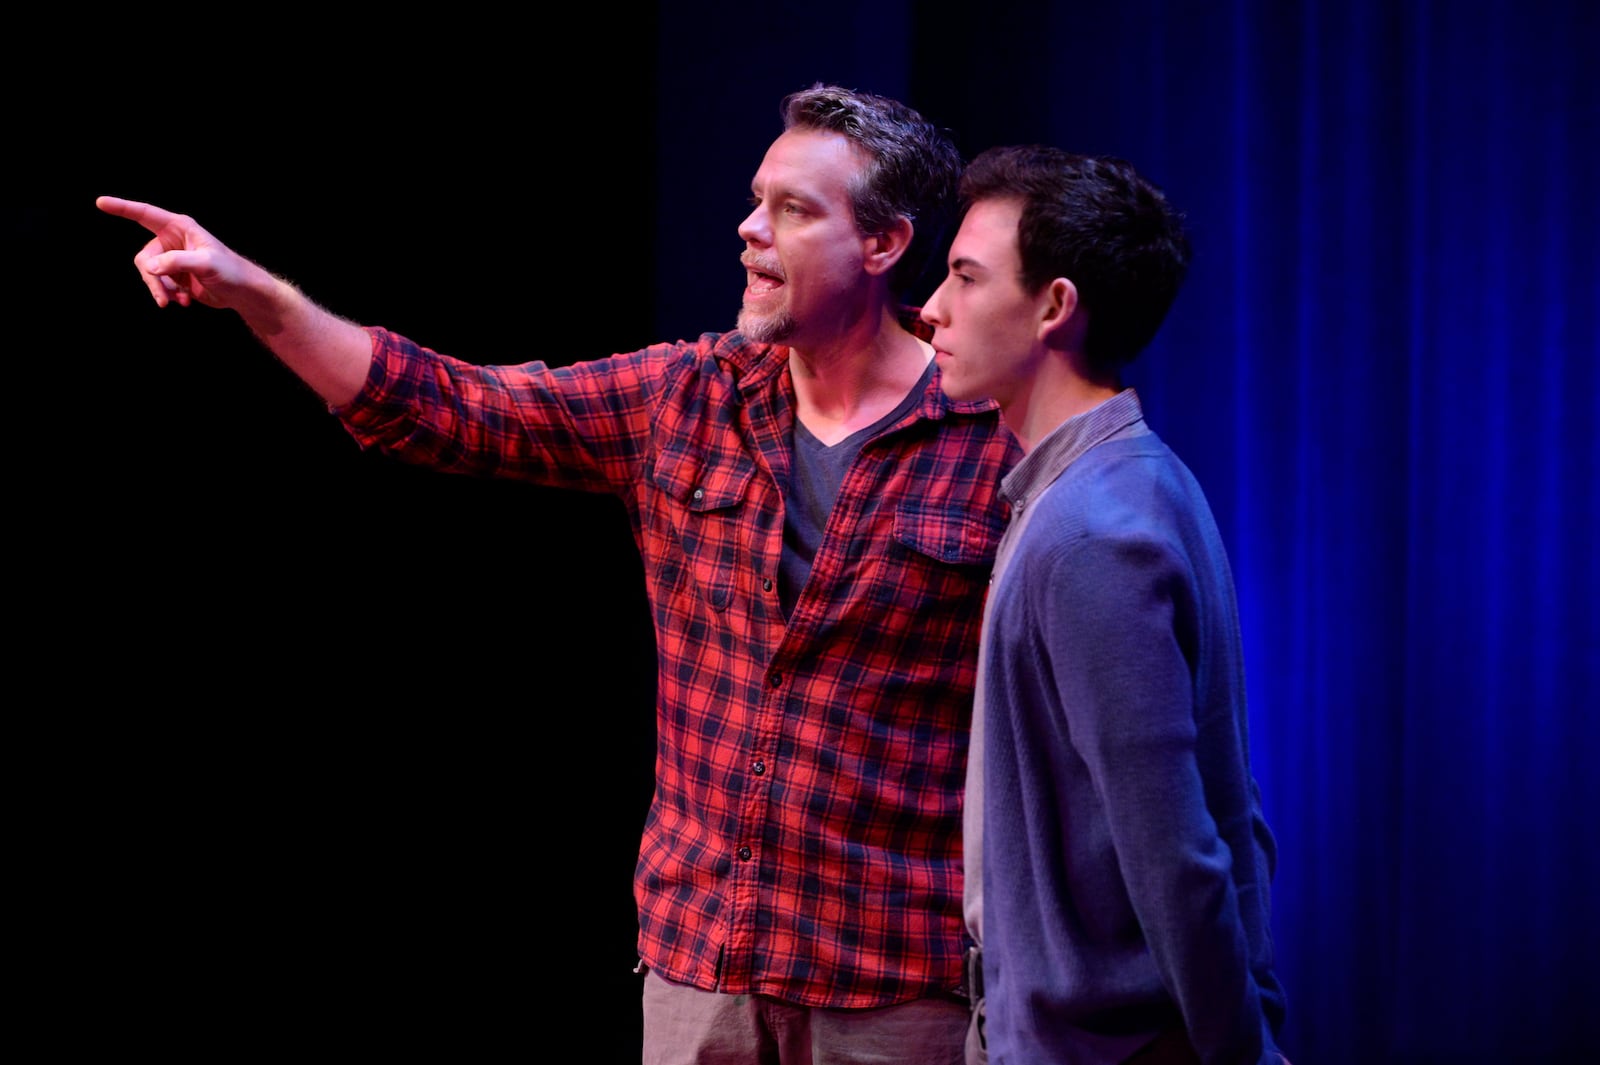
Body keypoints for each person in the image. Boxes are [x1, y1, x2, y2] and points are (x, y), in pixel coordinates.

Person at [98, 84, 1020, 1064]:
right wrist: (260, 297)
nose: (749, 229)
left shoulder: (991, 436)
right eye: (757, 198)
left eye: (794, 210)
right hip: (700, 972)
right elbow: (454, 408)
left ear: (883, 246)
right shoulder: (687, 398)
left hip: (891, 986)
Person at [920, 145, 1289, 1065]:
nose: (932, 309)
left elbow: (1179, 848)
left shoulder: (1093, 528)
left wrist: (1242, 1050)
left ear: (1055, 306)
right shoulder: (1109, 486)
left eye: (966, 277)